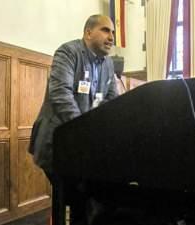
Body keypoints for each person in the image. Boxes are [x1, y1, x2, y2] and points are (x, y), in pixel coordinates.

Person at [28, 14, 118, 224]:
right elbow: (61, 94)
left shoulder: (108, 64)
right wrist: (83, 132)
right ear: (88, 33)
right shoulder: (68, 52)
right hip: (56, 143)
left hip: (84, 148)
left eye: (113, 32)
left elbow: (112, 101)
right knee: (75, 199)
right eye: (105, 30)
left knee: (87, 203)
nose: (112, 37)